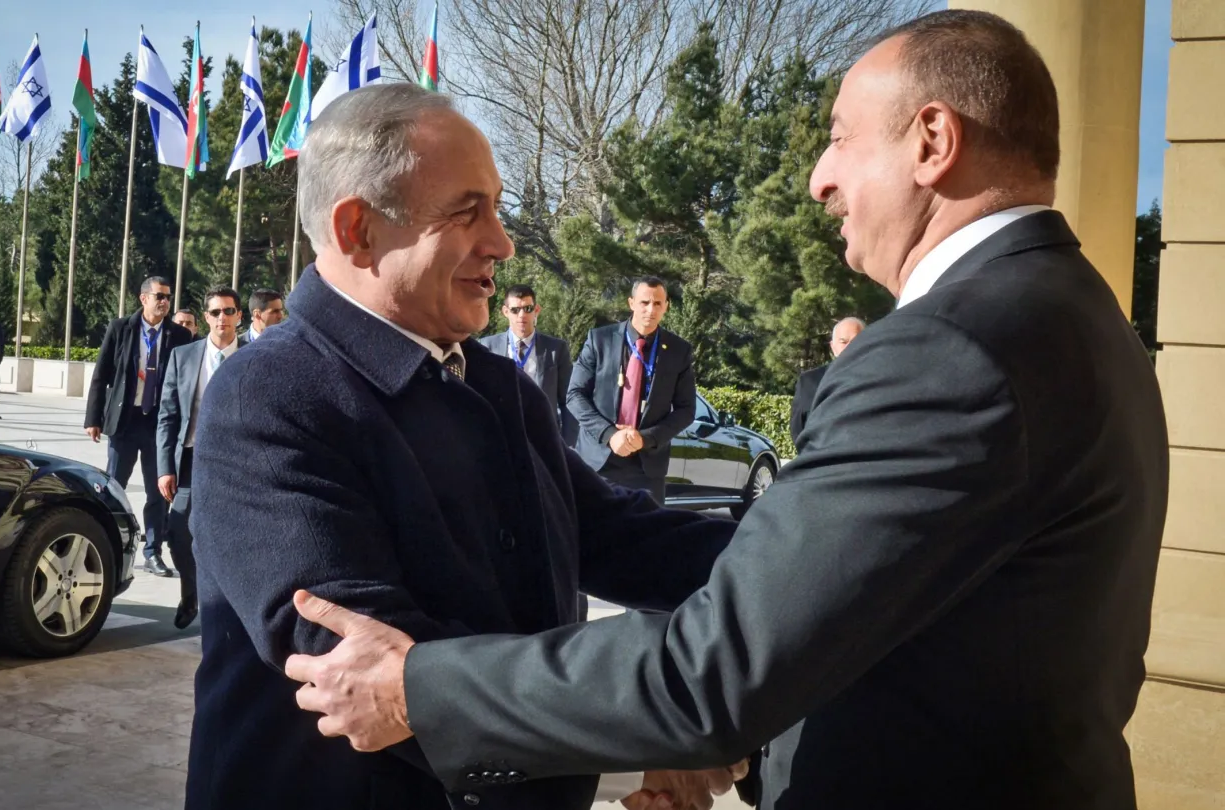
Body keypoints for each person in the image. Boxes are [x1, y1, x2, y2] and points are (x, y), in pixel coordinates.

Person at [279, 11, 1171, 810]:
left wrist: (419, 689)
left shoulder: (951, 348)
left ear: (933, 141)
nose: (819, 178)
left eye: (839, 138)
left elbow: (718, 667)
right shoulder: (1078, 318)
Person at [187, 83, 742, 810]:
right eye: (465, 211)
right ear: (358, 229)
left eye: (497, 208)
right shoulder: (268, 396)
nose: (502, 243)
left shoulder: (494, 384)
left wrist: (799, 559)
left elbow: (612, 535)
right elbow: (381, 672)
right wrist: (645, 744)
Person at [84, 276, 193, 578]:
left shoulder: (180, 336)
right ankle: (105, 542)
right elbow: (101, 373)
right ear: (143, 298)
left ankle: (153, 552)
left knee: (158, 491)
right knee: (114, 486)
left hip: (160, 423)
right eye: (159, 296)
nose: (165, 302)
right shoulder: (121, 328)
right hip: (125, 421)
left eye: (168, 297)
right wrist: (93, 418)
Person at [156, 286, 246, 630]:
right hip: (192, 459)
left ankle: (228, 603)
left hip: (237, 463)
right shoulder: (183, 356)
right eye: (215, 312)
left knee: (233, 535)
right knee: (179, 530)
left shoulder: (254, 355)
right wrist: (165, 468)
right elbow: (167, 416)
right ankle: (190, 594)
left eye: (228, 311)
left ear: (239, 316)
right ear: (206, 317)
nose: (222, 318)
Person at [567, 278, 696, 506]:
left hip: (646, 467)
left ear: (666, 306)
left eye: (658, 303)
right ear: (631, 303)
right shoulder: (600, 340)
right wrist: (609, 434)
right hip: (598, 461)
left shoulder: (678, 350)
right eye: (644, 302)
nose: (651, 310)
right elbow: (575, 395)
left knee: (648, 528)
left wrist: (645, 439)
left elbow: (686, 410)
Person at [478, 284, 578, 446]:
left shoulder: (556, 349)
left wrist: (567, 444)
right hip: (501, 439)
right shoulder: (487, 347)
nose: (522, 315)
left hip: (543, 440)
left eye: (528, 308)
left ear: (536, 310)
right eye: (515, 310)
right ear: (505, 312)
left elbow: (568, 400)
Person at [788, 316, 864, 446]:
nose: (850, 347)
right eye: (843, 342)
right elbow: (798, 430)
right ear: (833, 347)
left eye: (856, 341)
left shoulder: (881, 378)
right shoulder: (810, 381)